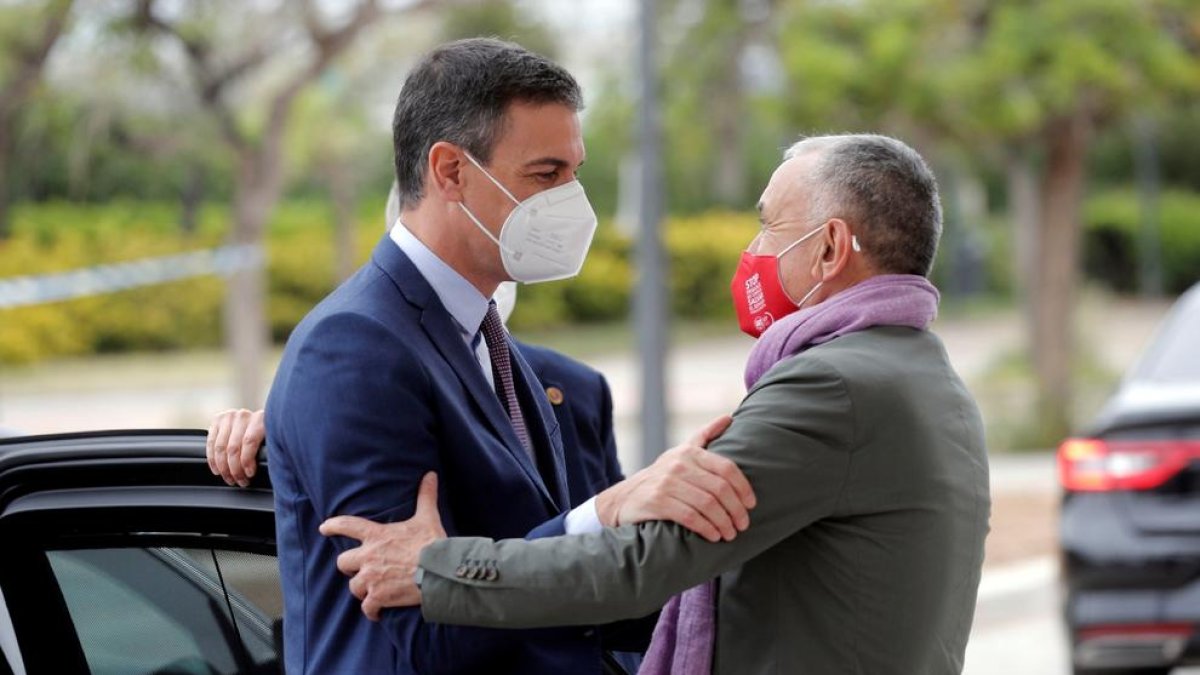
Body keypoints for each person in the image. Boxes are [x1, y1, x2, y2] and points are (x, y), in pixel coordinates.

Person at [320, 133, 992, 675]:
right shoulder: (927, 379)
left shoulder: (833, 389)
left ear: (828, 248)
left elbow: (641, 565)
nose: (752, 251)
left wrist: (436, 567)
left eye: (765, 226)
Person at [258, 38, 756, 675]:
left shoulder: (485, 335)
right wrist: (604, 513)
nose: (572, 201)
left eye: (575, 173)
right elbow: (420, 621)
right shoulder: (355, 348)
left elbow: (576, 591)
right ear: (451, 172)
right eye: (546, 175)